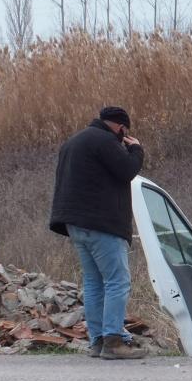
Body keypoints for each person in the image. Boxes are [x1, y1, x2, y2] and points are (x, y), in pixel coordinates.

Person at [49, 106, 147, 360]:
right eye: (124, 133)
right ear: (121, 128)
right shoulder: (104, 140)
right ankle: (113, 341)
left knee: (94, 283)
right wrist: (136, 149)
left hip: (75, 224)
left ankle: (97, 341)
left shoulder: (74, 142)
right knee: (117, 281)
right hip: (102, 225)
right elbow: (127, 170)